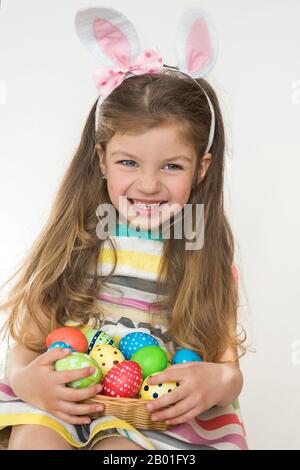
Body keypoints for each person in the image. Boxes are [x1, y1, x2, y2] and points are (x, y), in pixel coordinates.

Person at [0, 6, 248, 450]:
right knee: (33, 443)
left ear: (201, 168)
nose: (148, 184)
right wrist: (25, 379)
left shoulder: (205, 253)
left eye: (171, 166)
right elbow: (28, 343)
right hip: (66, 401)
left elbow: (227, 366)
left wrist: (220, 381)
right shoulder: (77, 237)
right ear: (101, 159)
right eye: (128, 162)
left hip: (153, 417)